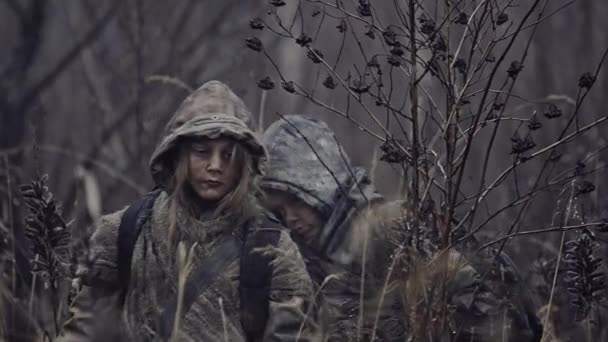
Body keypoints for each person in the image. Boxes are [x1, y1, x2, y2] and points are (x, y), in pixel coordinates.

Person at [59, 82, 316, 342]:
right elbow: (84, 331)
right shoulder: (123, 231)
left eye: (228, 155)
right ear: (178, 155)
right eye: (202, 152)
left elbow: (292, 336)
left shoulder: (271, 246)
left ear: (244, 165)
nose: (215, 166)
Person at [261, 115, 543, 342]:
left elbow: (489, 301)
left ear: (319, 183)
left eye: (296, 200)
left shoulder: (390, 229)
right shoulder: (309, 267)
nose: (290, 218)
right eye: (279, 211)